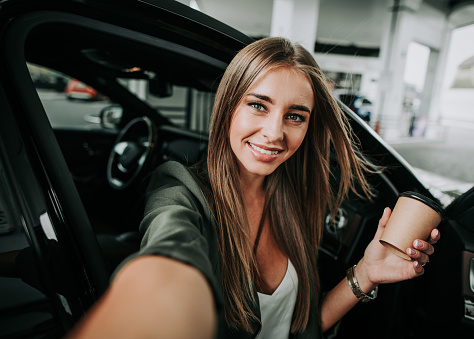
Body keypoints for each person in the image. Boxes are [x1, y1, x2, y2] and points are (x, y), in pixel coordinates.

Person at [67, 37, 440, 339]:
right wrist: (160, 298)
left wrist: (368, 271)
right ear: (228, 106)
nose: (275, 133)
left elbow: (301, 328)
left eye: (295, 116)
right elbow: (170, 256)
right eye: (258, 106)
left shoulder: (293, 201)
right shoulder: (179, 189)